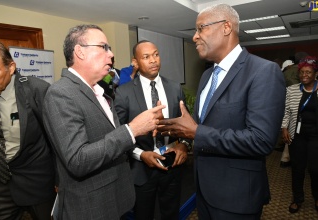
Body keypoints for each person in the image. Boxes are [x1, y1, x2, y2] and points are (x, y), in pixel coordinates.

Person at [157, 4, 286, 219]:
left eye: (201, 28)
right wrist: (183, 140)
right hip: (204, 192)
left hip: (237, 197)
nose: (195, 37)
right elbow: (204, 125)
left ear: (226, 27)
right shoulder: (208, 76)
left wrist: (196, 133)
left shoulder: (263, 71)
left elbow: (261, 140)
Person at [42, 24, 165, 220]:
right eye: (104, 47)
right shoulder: (61, 94)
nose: (111, 54)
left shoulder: (101, 89)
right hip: (91, 207)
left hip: (116, 198)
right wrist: (132, 130)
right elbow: (78, 160)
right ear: (80, 52)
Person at [114, 40, 190, 220]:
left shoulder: (174, 87)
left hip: (172, 165)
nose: (153, 60)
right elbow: (119, 133)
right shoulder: (123, 93)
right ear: (135, 62)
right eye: (146, 57)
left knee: (171, 214)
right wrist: (141, 155)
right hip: (141, 170)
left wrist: (184, 145)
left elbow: (186, 124)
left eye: (156, 54)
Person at [0, 42, 56, 219]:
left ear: (11, 67)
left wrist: (60, 180)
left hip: (37, 183)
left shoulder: (35, 89)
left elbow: (56, 140)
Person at [281, 56, 318, 213]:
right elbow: (287, 112)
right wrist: (284, 128)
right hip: (297, 136)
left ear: (315, 74)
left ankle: (317, 197)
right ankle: (297, 199)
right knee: (297, 168)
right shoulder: (291, 90)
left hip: (317, 136)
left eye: (308, 72)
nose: (304, 75)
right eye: (302, 72)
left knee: (316, 169)